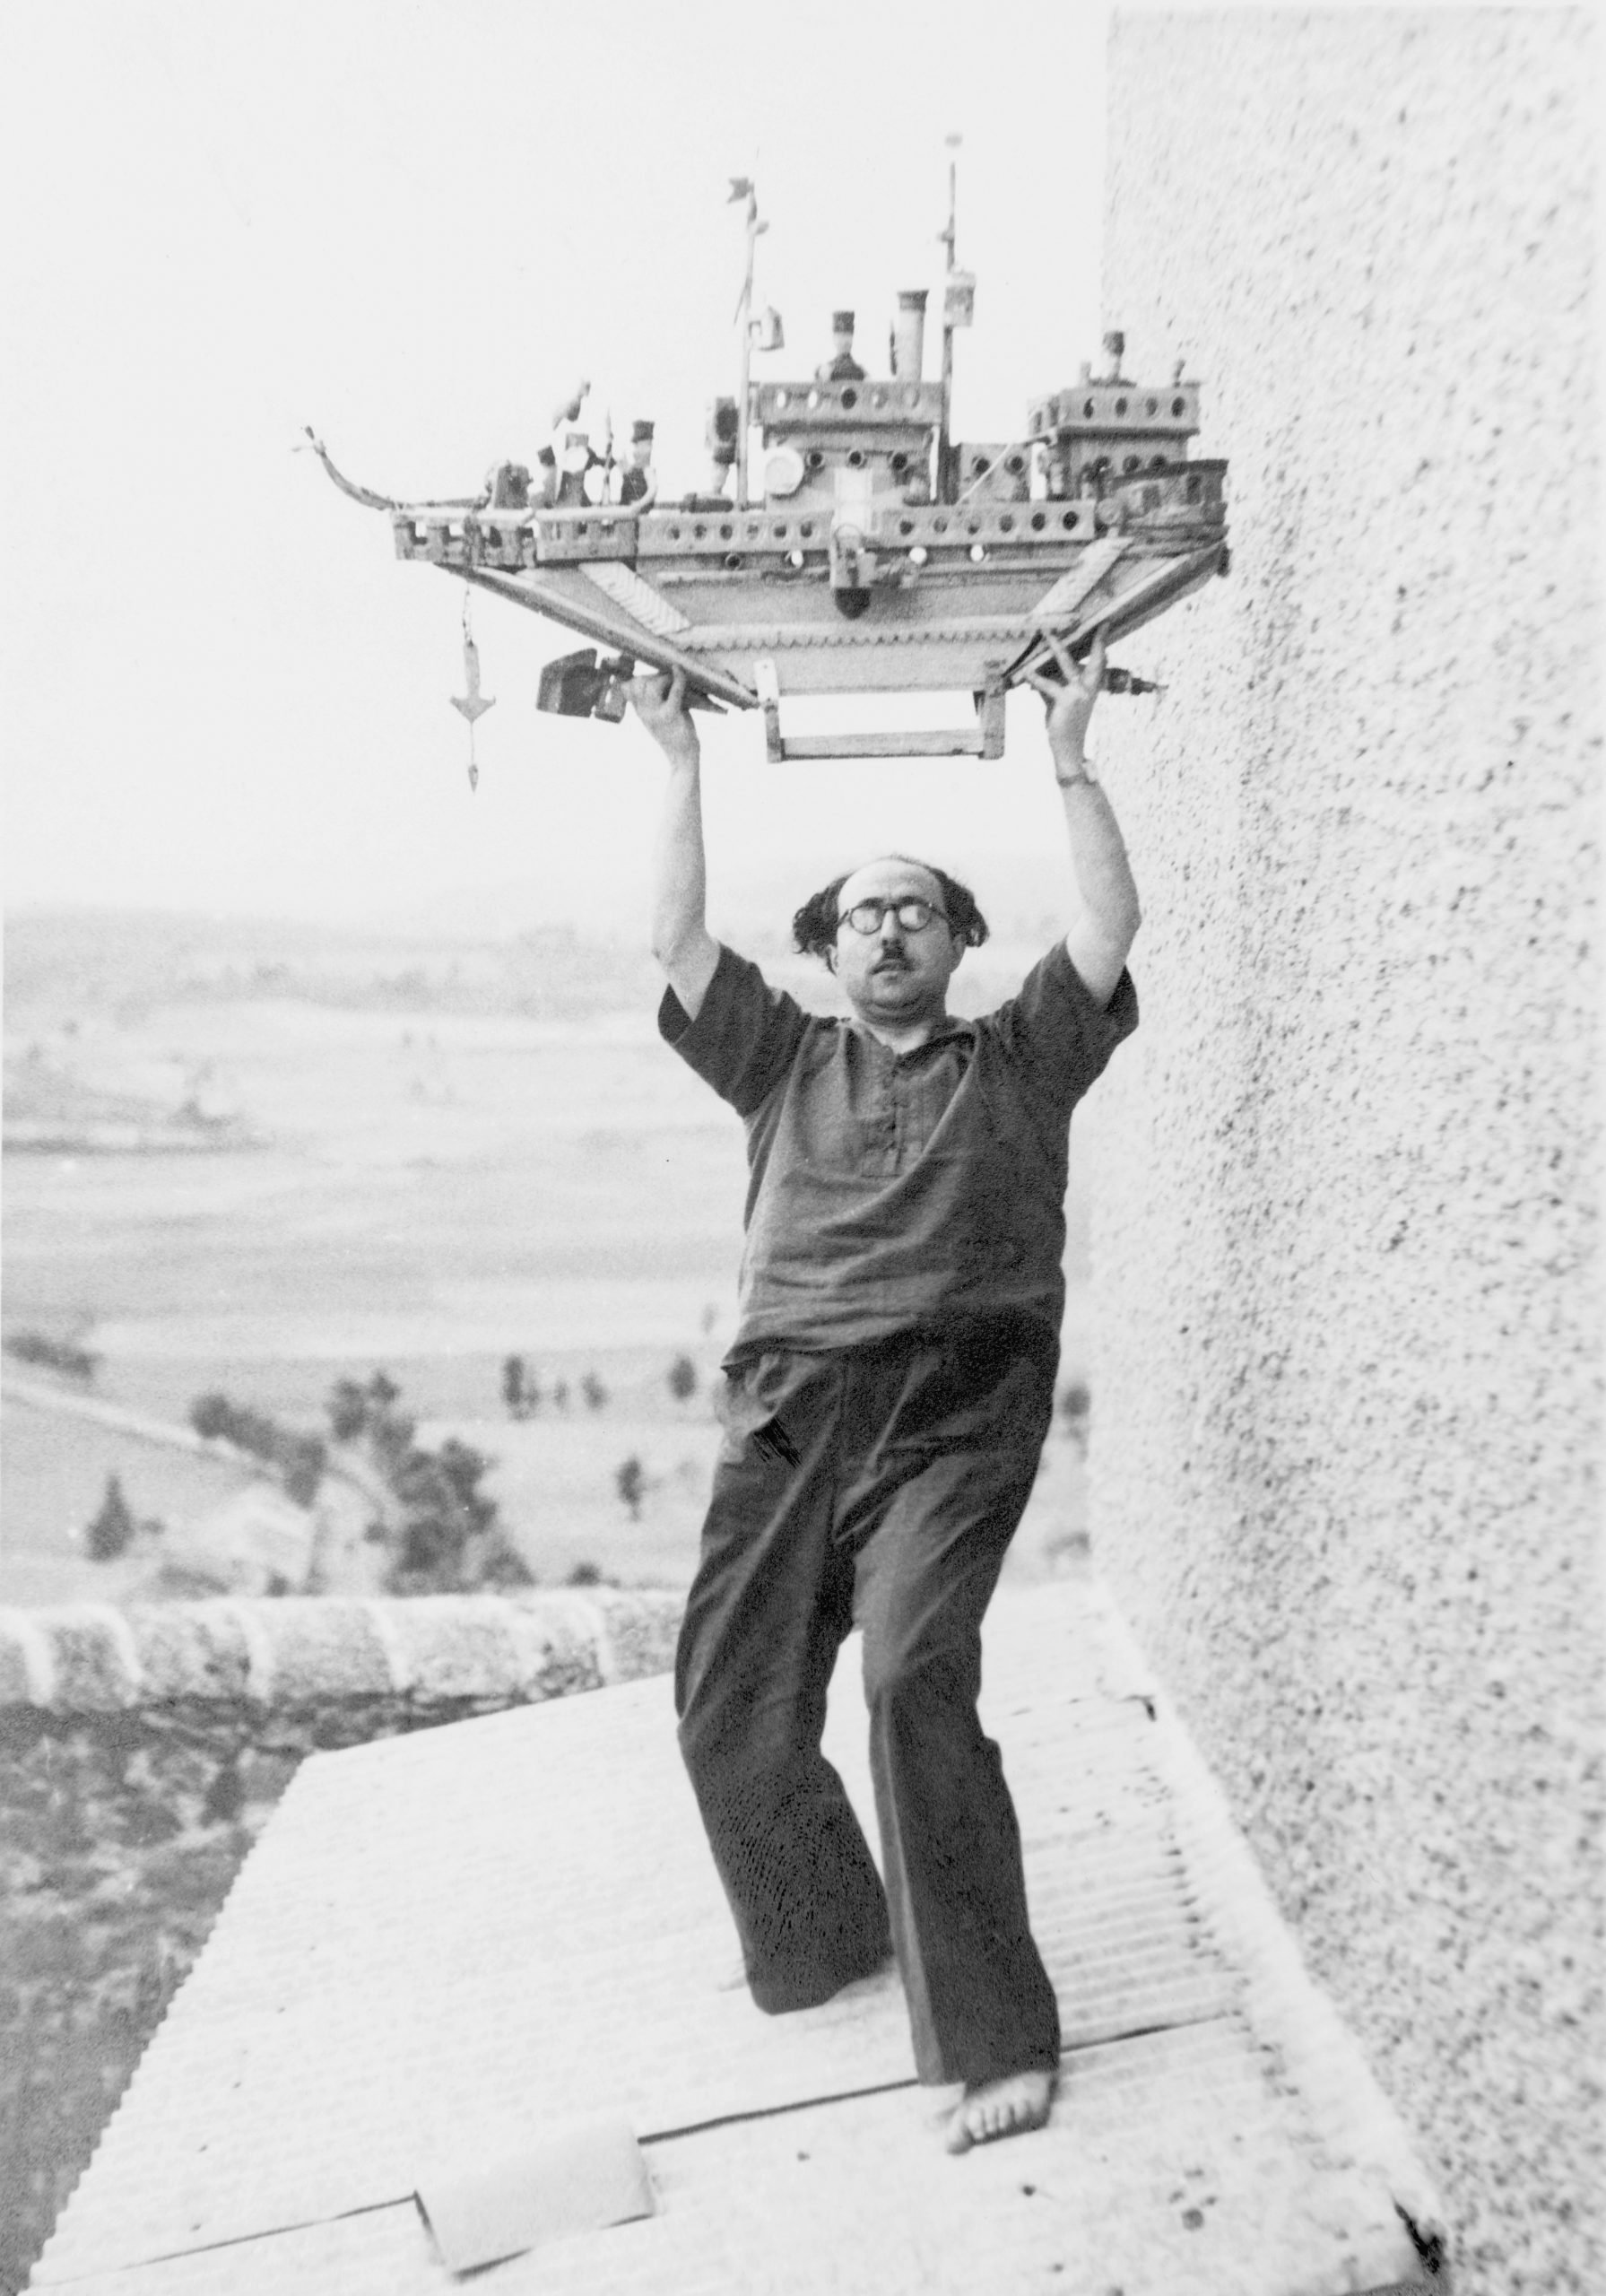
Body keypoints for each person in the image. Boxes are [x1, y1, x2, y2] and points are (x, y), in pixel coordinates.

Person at [630, 633, 1140, 2154]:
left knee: (913, 1674)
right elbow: (672, 936)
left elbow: (1111, 920)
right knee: (727, 1702)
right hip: (787, 1416)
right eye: (866, 915)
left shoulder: (1025, 1058)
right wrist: (676, 761)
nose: (894, 931)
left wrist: (1068, 755)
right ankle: (828, 1933)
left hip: (952, 1415)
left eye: (921, 911)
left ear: (960, 941)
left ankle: (996, 2038)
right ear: (831, 951)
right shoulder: (782, 1061)